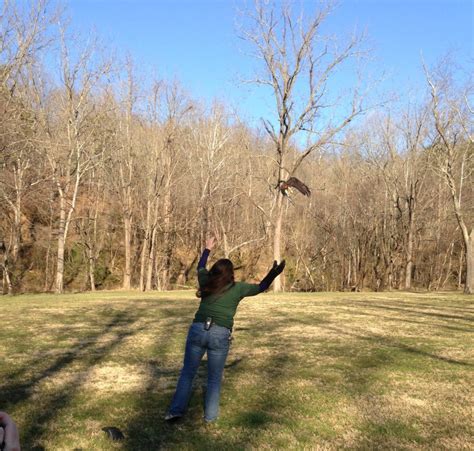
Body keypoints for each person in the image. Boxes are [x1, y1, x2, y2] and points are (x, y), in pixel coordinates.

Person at [165, 236, 285, 423]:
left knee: (187, 373)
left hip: (198, 329)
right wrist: (273, 273)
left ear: (214, 271)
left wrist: (207, 249)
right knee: (213, 378)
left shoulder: (206, 281)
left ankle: (175, 412)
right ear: (231, 274)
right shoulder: (238, 289)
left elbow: (200, 267)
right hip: (220, 334)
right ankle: (210, 417)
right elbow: (261, 287)